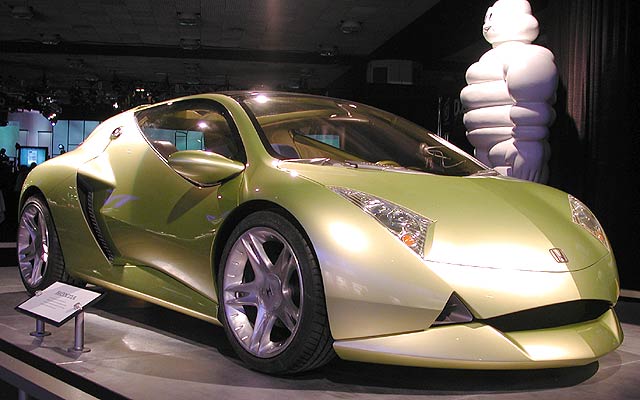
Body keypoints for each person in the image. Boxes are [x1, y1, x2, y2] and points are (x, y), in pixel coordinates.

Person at [460, 0, 557, 183]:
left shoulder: (528, 55)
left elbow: (531, 96)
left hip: (515, 149)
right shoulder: (490, 58)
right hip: (484, 151)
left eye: (492, 17)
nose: (487, 25)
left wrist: (529, 147)